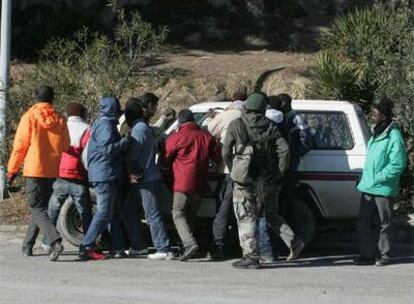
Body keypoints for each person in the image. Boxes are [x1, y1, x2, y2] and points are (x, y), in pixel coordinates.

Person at [223, 92, 305, 269]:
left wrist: (233, 169)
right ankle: (293, 241)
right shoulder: (270, 126)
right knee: (269, 212)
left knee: (246, 215)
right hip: (267, 177)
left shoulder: (236, 124)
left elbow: (225, 152)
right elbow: (284, 150)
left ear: (246, 107)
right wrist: (280, 172)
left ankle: (251, 257)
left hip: (243, 179)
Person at [7, 85, 70, 261]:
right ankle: (27, 245)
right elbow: (66, 145)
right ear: (53, 99)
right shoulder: (60, 119)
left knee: (36, 207)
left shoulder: (30, 117)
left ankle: (55, 240)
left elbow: (20, 147)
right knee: (40, 208)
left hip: (35, 169)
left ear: (36, 97)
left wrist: (11, 170)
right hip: (52, 170)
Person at [355, 97, 407, 266]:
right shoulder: (376, 133)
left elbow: (398, 163)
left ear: (384, 116)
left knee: (384, 223)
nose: (372, 116)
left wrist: (380, 177)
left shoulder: (394, 136)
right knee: (363, 222)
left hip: (383, 187)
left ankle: (384, 254)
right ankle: (367, 254)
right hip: (368, 185)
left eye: (375, 113)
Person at [164, 109, 222, 261]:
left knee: (177, 212)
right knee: (190, 214)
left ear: (180, 122)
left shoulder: (176, 137)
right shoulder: (205, 136)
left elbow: (166, 157)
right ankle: (189, 246)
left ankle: (189, 244)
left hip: (182, 182)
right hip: (200, 182)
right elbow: (217, 156)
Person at [78, 96, 131, 260]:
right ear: (113, 109)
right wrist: (125, 142)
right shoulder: (106, 125)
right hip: (105, 174)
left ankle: (117, 247)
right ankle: (86, 245)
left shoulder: (100, 124)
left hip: (104, 172)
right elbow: (107, 150)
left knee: (113, 212)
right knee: (104, 212)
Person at [129, 97, 174, 260]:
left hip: (145, 178)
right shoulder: (144, 127)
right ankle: (139, 246)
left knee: (152, 214)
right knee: (137, 211)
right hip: (150, 175)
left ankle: (163, 248)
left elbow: (135, 153)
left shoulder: (139, 129)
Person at [43, 103, 92, 250]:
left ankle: (48, 241)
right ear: (82, 114)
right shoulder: (87, 129)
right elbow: (87, 155)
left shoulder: (60, 126)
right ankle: (88, 243)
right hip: (78, 175)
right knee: (85, 211)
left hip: (60, 174)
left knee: (53, 209)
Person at [277, 93, 313, 217]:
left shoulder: (296, 119)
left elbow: (307, 142)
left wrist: (292, 155)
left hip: (291, 167)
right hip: (283, 166)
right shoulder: (280, 118)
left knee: (286, 200)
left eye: (279, 103)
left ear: (285, 103)